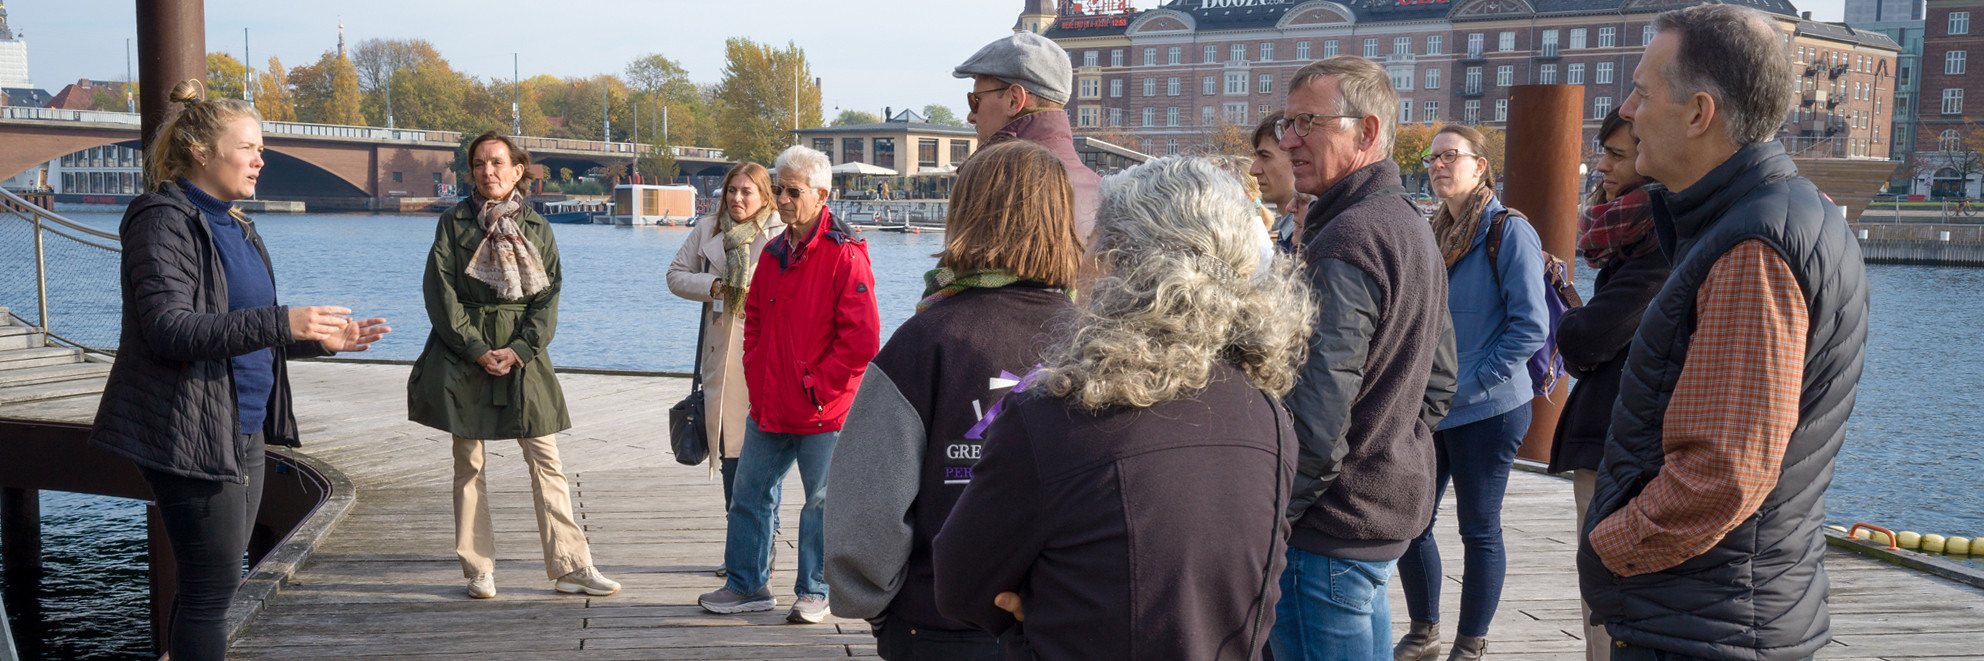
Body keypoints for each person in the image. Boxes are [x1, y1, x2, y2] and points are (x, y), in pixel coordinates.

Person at [931, 156, 1313, 660]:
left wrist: (1041, 600)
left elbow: (961, 588)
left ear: (1114, 265)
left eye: (1090, 242)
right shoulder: (1268, 416)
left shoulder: (1051, 419)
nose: (1079, 261)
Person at [1580, 5, 1867, 660]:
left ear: (1699, 113)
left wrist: (1610, 549)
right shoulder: (1758, 220)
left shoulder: (1753, 247)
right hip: (1721, 613)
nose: (1628, 111)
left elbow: (1722, 476)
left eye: (1642, 93)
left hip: (1707, 627)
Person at [89, 79, 390, 661]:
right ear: (201, 152)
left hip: (242, 428)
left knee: (212, 589)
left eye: (261, 148)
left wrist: (321, 342)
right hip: (190, 428)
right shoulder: (161, 219)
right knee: (211, 593)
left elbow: (245, 334)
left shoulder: (237, 224)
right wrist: (284, 322)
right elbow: (168, 329)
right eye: (249, 147)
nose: (261, 159)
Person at [823, 140, 1083, 660]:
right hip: (1073, 622)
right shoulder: (1098, 339)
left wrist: (875, 605)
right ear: (1062, 219)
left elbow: (866, 507)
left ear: (965, 215)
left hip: (937, 624)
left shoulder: (925, 341)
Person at [1270, 56, 1458, 661]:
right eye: (1285, 123)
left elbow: (1318, 417)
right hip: (1377, 518)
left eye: (1307, 122)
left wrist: (1276, 520)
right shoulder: (1409, 225)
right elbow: (1439, 377)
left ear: (1368, 132)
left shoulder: (1348, 240)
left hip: (1329, 531)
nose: (1289, 138)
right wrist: (1388, 442)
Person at [407, 130, 620, 601]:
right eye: (480, 164)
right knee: (469, 463)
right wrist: (475, 348)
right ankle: (478, 569)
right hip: (464, 354)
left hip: (524, 356)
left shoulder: (539, 227)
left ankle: (571, 566)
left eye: (498, 162)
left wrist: (521, 349)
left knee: (546, 458)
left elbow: (548, 297)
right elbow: (439, 293)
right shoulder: (453, 222)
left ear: (517, 170)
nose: (488, 172)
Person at [698, 145, 881, 624]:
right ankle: (747, 585)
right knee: (748, 496)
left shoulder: (846, 256)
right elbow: (753, 317)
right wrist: (759, 371)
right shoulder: (776, 251)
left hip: (823, 409)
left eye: (791, 190)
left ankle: (814, 590)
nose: (780, 197)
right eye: (777, 187)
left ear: (821, 195)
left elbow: (862, 341)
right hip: (772, 404)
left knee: (820, 503)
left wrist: (817, 386)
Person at [1392, 124, 1549, 661]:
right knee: (1412, 521)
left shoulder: (1508, 231)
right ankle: (1423, 631)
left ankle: (1470, 644)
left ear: (1480, 166)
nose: (1438, 165)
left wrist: (1473, 384)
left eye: (1450, 156)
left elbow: (1530, 327)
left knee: (1479, 528)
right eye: (1432, 158)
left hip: (1491, 408)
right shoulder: (1432, 232)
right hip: (1434, 407)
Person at [1547, 110, 1668, 661]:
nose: (1601, 166)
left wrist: (1570, 317)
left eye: (1617, 155)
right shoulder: (1641, 237)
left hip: (1624, 444)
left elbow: (1587, 341)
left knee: (1605, 588)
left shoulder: (1662, 245)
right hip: (1613, 436)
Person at [665, 162, 789, 568]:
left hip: (768, 357)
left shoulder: (781, 231)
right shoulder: (708, 229)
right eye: (731, 190)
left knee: (763, 457)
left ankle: (762, 542)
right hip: (722, 359)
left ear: (764, 196)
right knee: (730, 455)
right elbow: (675, 276)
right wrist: (715, 286)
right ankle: (743, 547)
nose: (736, 198)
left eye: (746, 191)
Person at [954, 31, 1103, 238]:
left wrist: (943, 272)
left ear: (1014, 100)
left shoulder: (993, 189)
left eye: (975, 101)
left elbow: (958, 269)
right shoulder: (1105, 195)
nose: (971, 116)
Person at [1249, 112, 1303, 249]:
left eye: (1265, 157)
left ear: (1297, 159)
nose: (1253, 170)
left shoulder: (1307, 240)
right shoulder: (1289, 235)